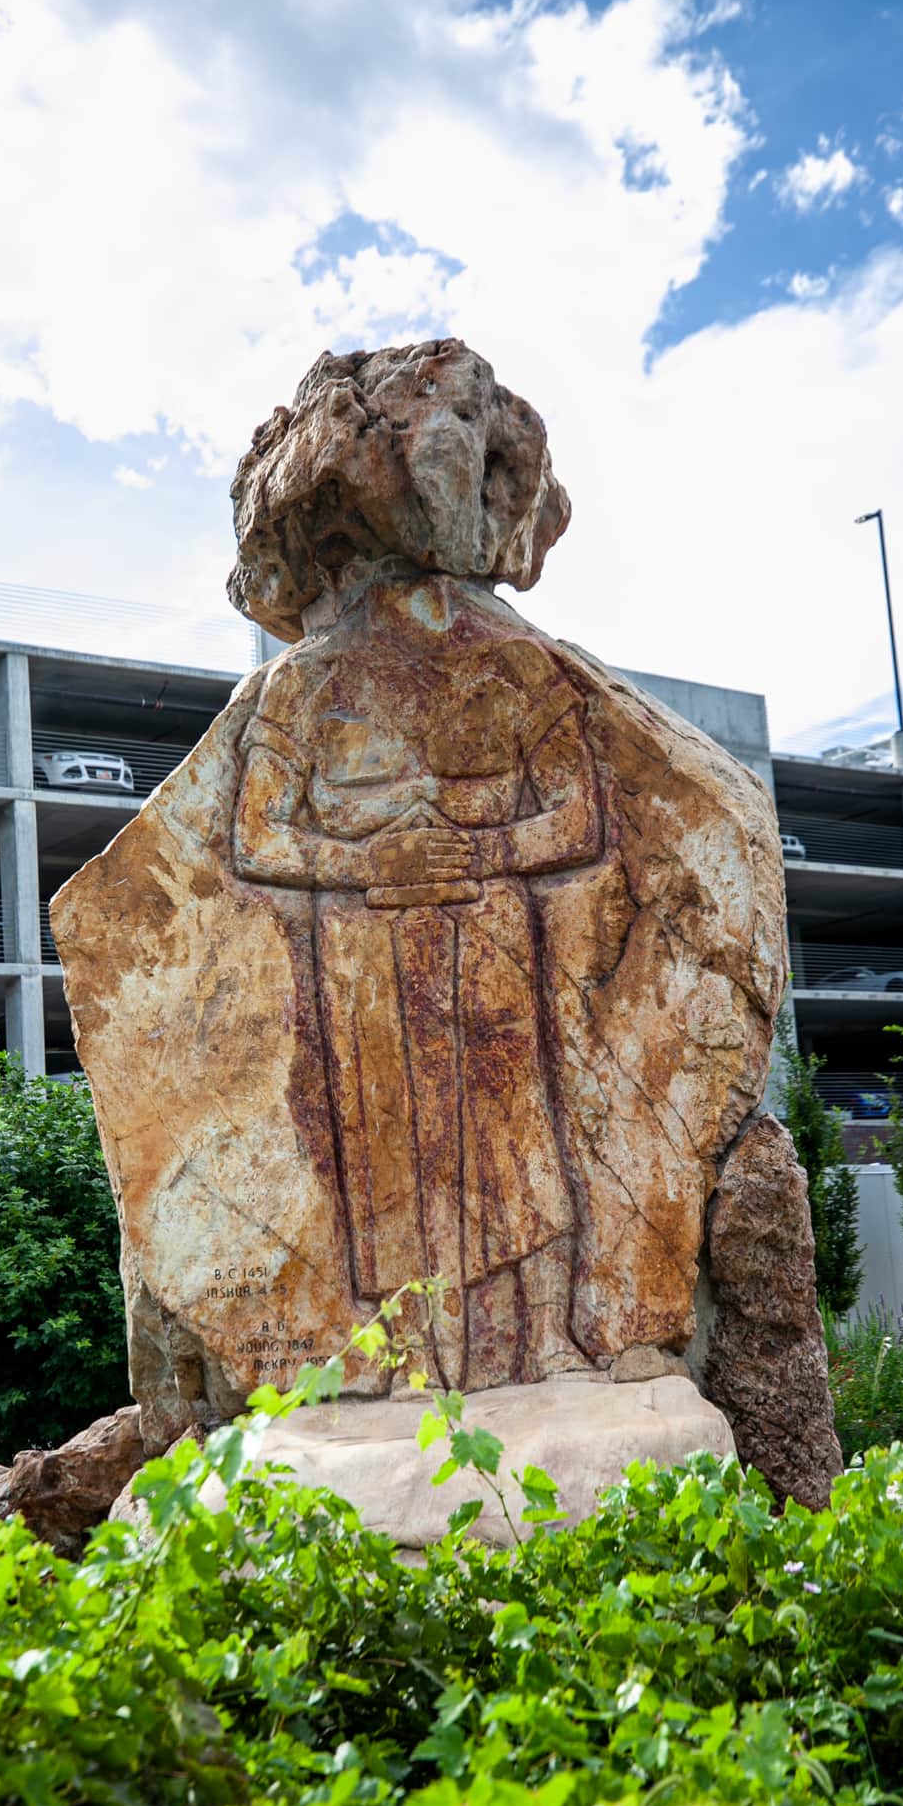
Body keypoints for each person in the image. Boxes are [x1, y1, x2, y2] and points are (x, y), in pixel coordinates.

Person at [232, 562, 602, 1387]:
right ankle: (418, 1361)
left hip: (489, 926)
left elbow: (579, 817)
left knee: (520, 1133)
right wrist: (364, 862)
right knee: (386, 1144)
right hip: (362, 947)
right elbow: (256, 840)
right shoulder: (304, 681)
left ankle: (546, 1340)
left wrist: (485, 850)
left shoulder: (517, 667)